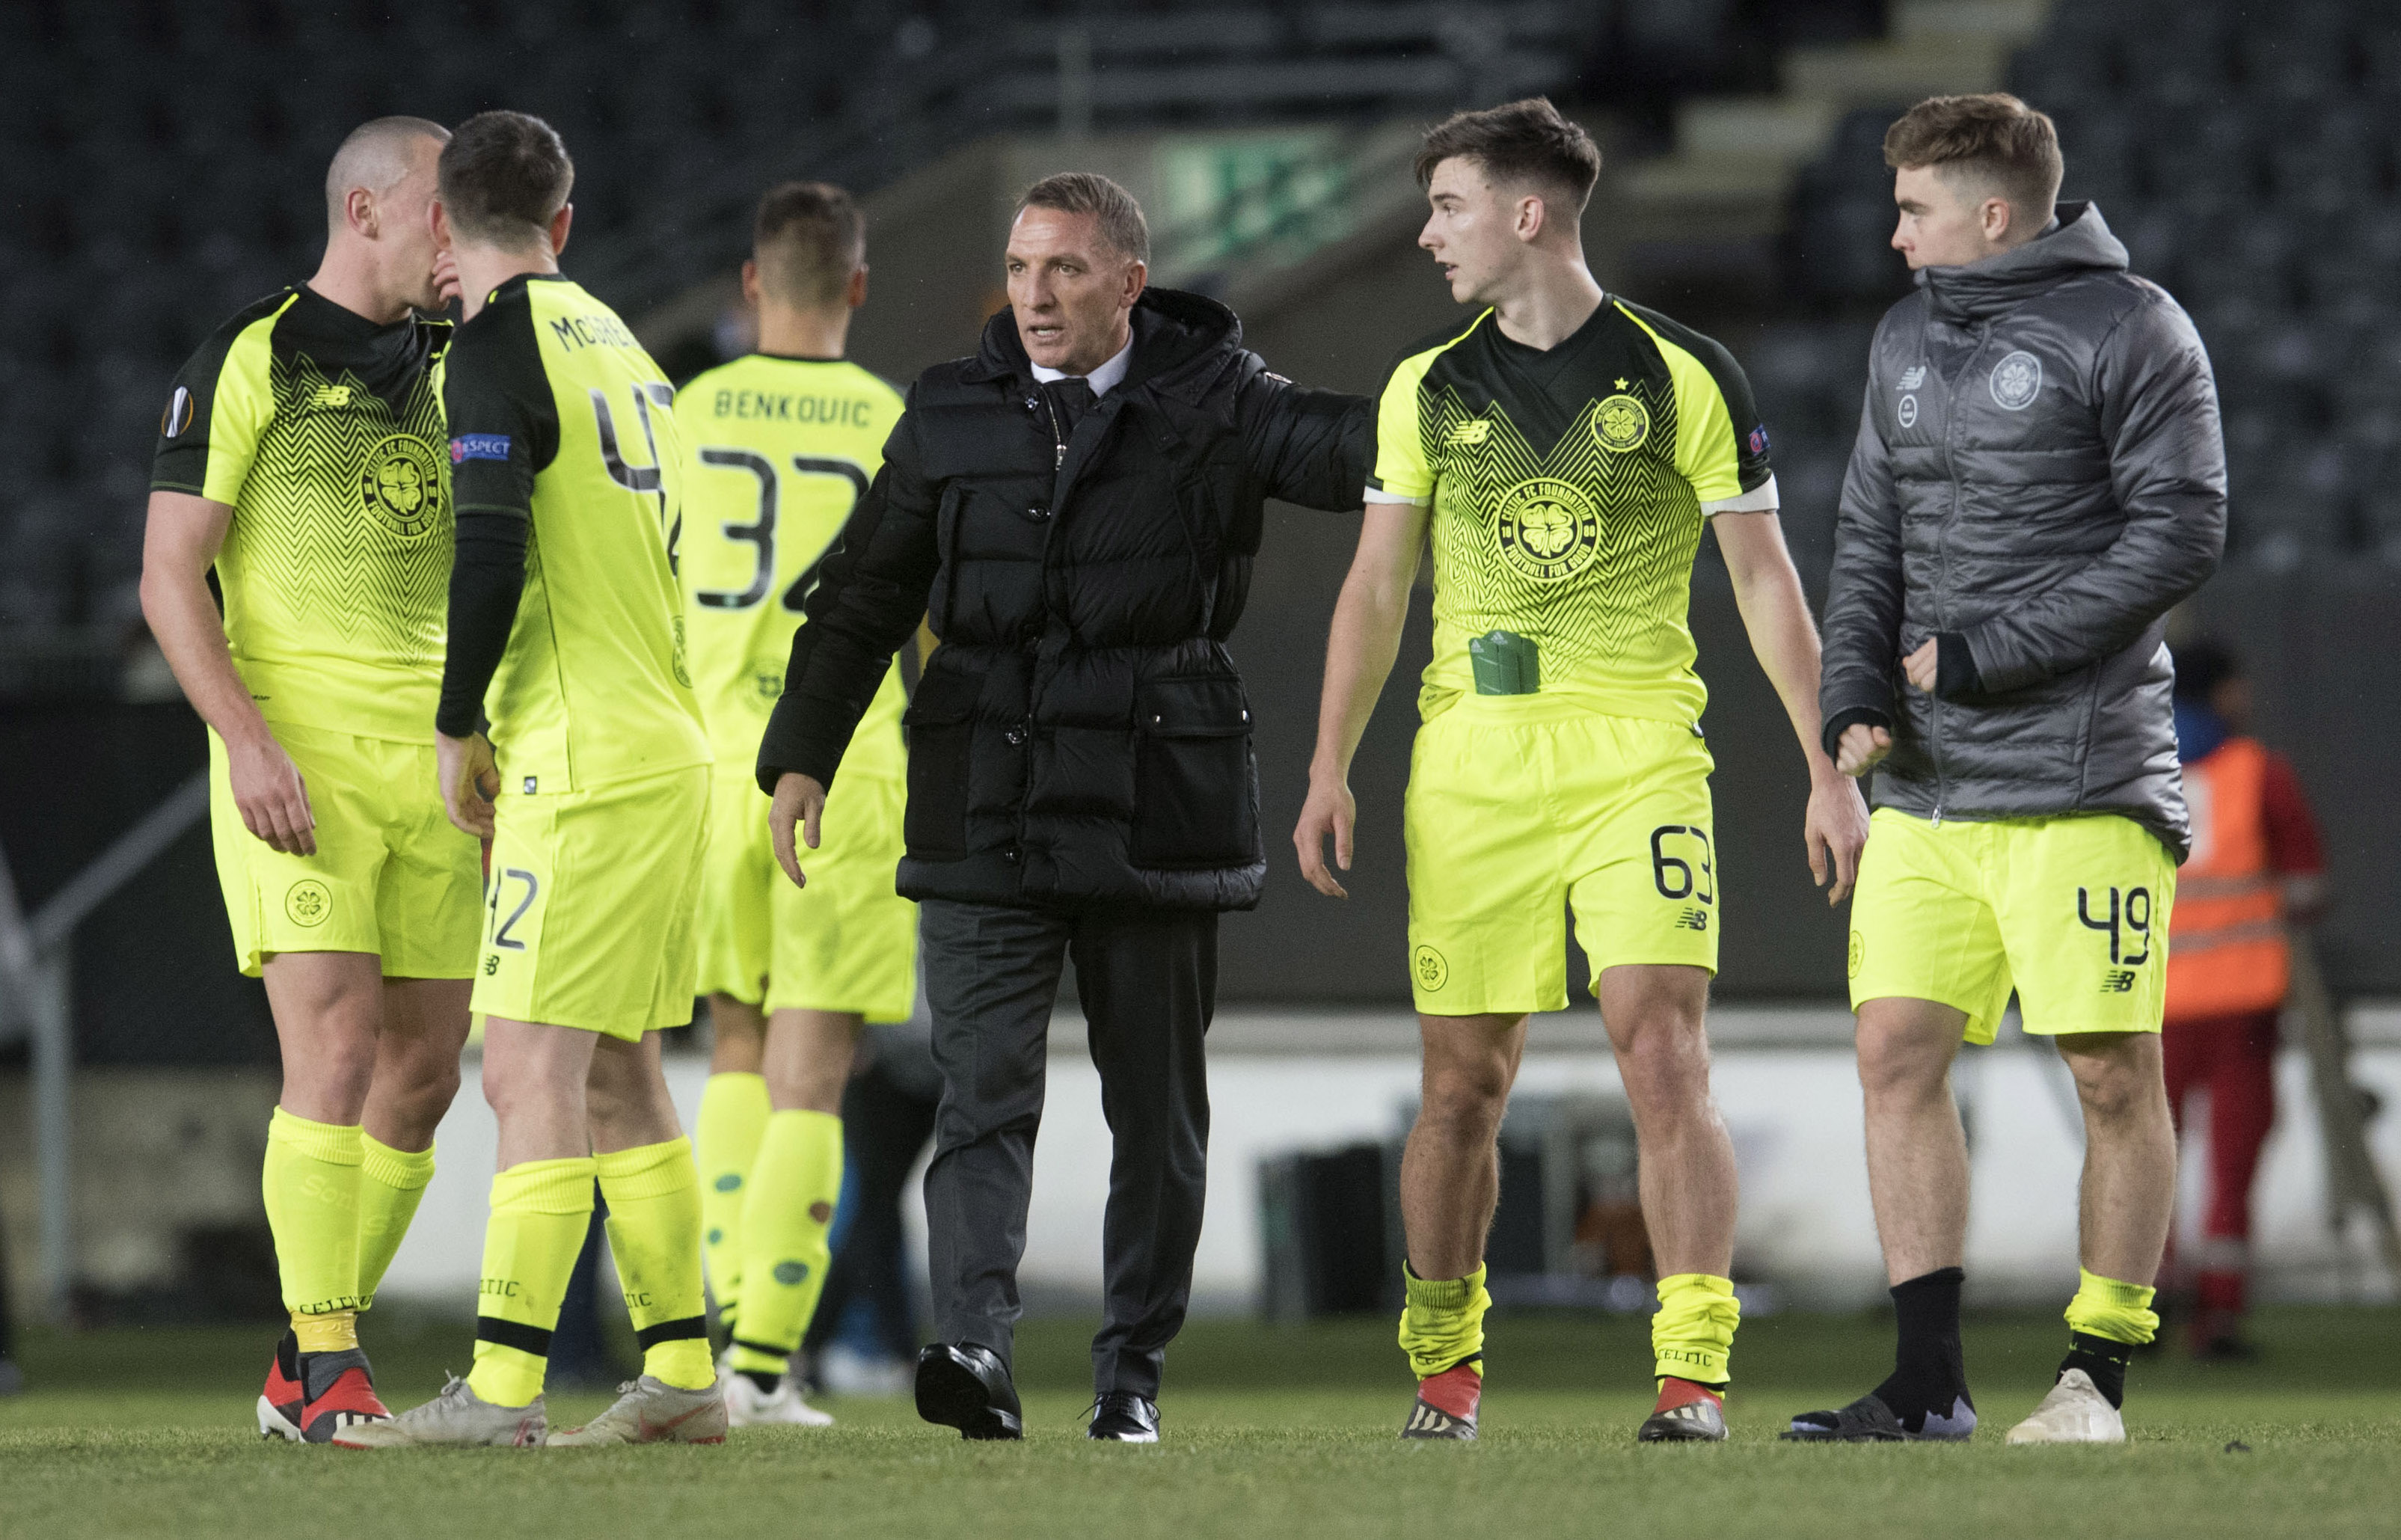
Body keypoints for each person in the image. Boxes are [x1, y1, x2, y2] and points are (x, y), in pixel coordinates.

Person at [758, 171, 1369, 1443]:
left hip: (1159, 803)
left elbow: (1365, 453)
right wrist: (800, 751)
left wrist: (1488, 392)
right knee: (982, 1096)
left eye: (1067, 271)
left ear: (1129, 283)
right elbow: (868, 592)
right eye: (1023, 269)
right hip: (987, 798)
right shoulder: (948, 411)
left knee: (1156, 1109)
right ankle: (973, 1343)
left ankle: (1129, 1373)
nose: (1034, 295)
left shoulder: (1223, 398)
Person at [1295, 97, 1869, 1444]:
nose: (1430, 232)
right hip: (1474, 766)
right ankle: (1443, 1365)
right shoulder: (1424, 385)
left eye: (1447, 205)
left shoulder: (1685, 371)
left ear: (1527, 213)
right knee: (1461, 1085)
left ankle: (1693, 1371)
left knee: (1663, 1052)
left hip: (1640, 757)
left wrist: (1824, 762)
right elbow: (1376, 590)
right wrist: (1331, 761)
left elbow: (1765, 581)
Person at [1803, 93, 2225, 1444]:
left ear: (1992, 214)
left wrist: (1987, 652)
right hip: (1928, 786)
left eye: (1917, 210)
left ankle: (2095, 1375)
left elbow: (2182, 533)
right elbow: (1868, 528)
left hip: (2085, 778)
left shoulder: (2136, 328)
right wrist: (1854, 693)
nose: (1896, 235)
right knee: (1894, 1053)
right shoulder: (1903, 337)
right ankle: (1929, 1378)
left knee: (2109, 1068)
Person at [343, 110, 725, 1449]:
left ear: (441, 223)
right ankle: (684, 1370)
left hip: (582, 756)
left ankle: (503, 1390)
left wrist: (459, 724)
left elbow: (491, 549)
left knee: (524, 1066)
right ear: (563, 224)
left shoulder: (493, 354)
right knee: (621, 1063)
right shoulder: (624, 342)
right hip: (672, 746)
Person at [141, 117, 474, 1445]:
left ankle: (300, 1355)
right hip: (305, 758)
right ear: (367, 207)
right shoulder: (248, 354)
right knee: (333, 1044)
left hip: (448, 762)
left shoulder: (468, 366)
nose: (459, 236)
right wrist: (246, 739)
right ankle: (334, 1361)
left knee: (428, 1069)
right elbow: (169, 578)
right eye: (443, 209)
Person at [681, 181, 916, 1428]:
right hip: (848, 769)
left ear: (750, 285)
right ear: (859, 287)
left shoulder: (691, 412)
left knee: (731, 1036)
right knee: (814, 1075)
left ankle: (718, 1339)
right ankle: (766, 1369)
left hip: (715, 762)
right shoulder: (895, 420)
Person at [2160, 640, 2325, 1359]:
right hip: (2241, 1004)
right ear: (2223, 693)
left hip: (2148, 1003)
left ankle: (2142, 1303)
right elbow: (2306, 890)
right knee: (2232, 1163)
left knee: (2142, 1157)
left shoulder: (2134, 768)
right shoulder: (2259, 772)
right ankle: (2218, 1318)